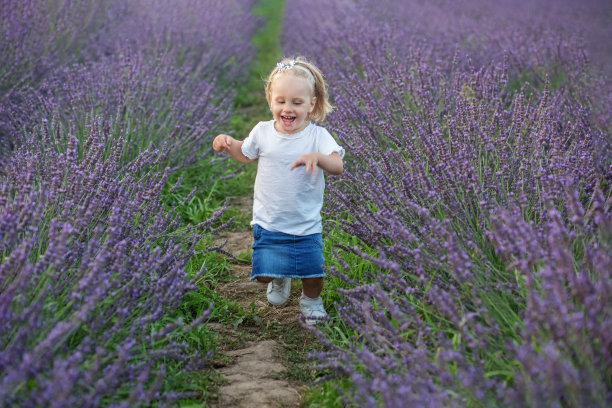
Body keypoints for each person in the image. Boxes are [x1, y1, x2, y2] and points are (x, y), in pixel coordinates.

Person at [212, 56, 344, 325]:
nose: (288, 108)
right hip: (269, 220)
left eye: (297, 102)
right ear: (271, 100)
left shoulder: (317, 136)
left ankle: (311, 300)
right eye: (281, 101)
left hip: (305, 223)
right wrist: (228, 143)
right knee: (263, 275)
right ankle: (280, 275)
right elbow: (245, 154)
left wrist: (318, 158)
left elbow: (338, 165)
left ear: (312, 104)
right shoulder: (262, 132)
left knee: (313, 272)